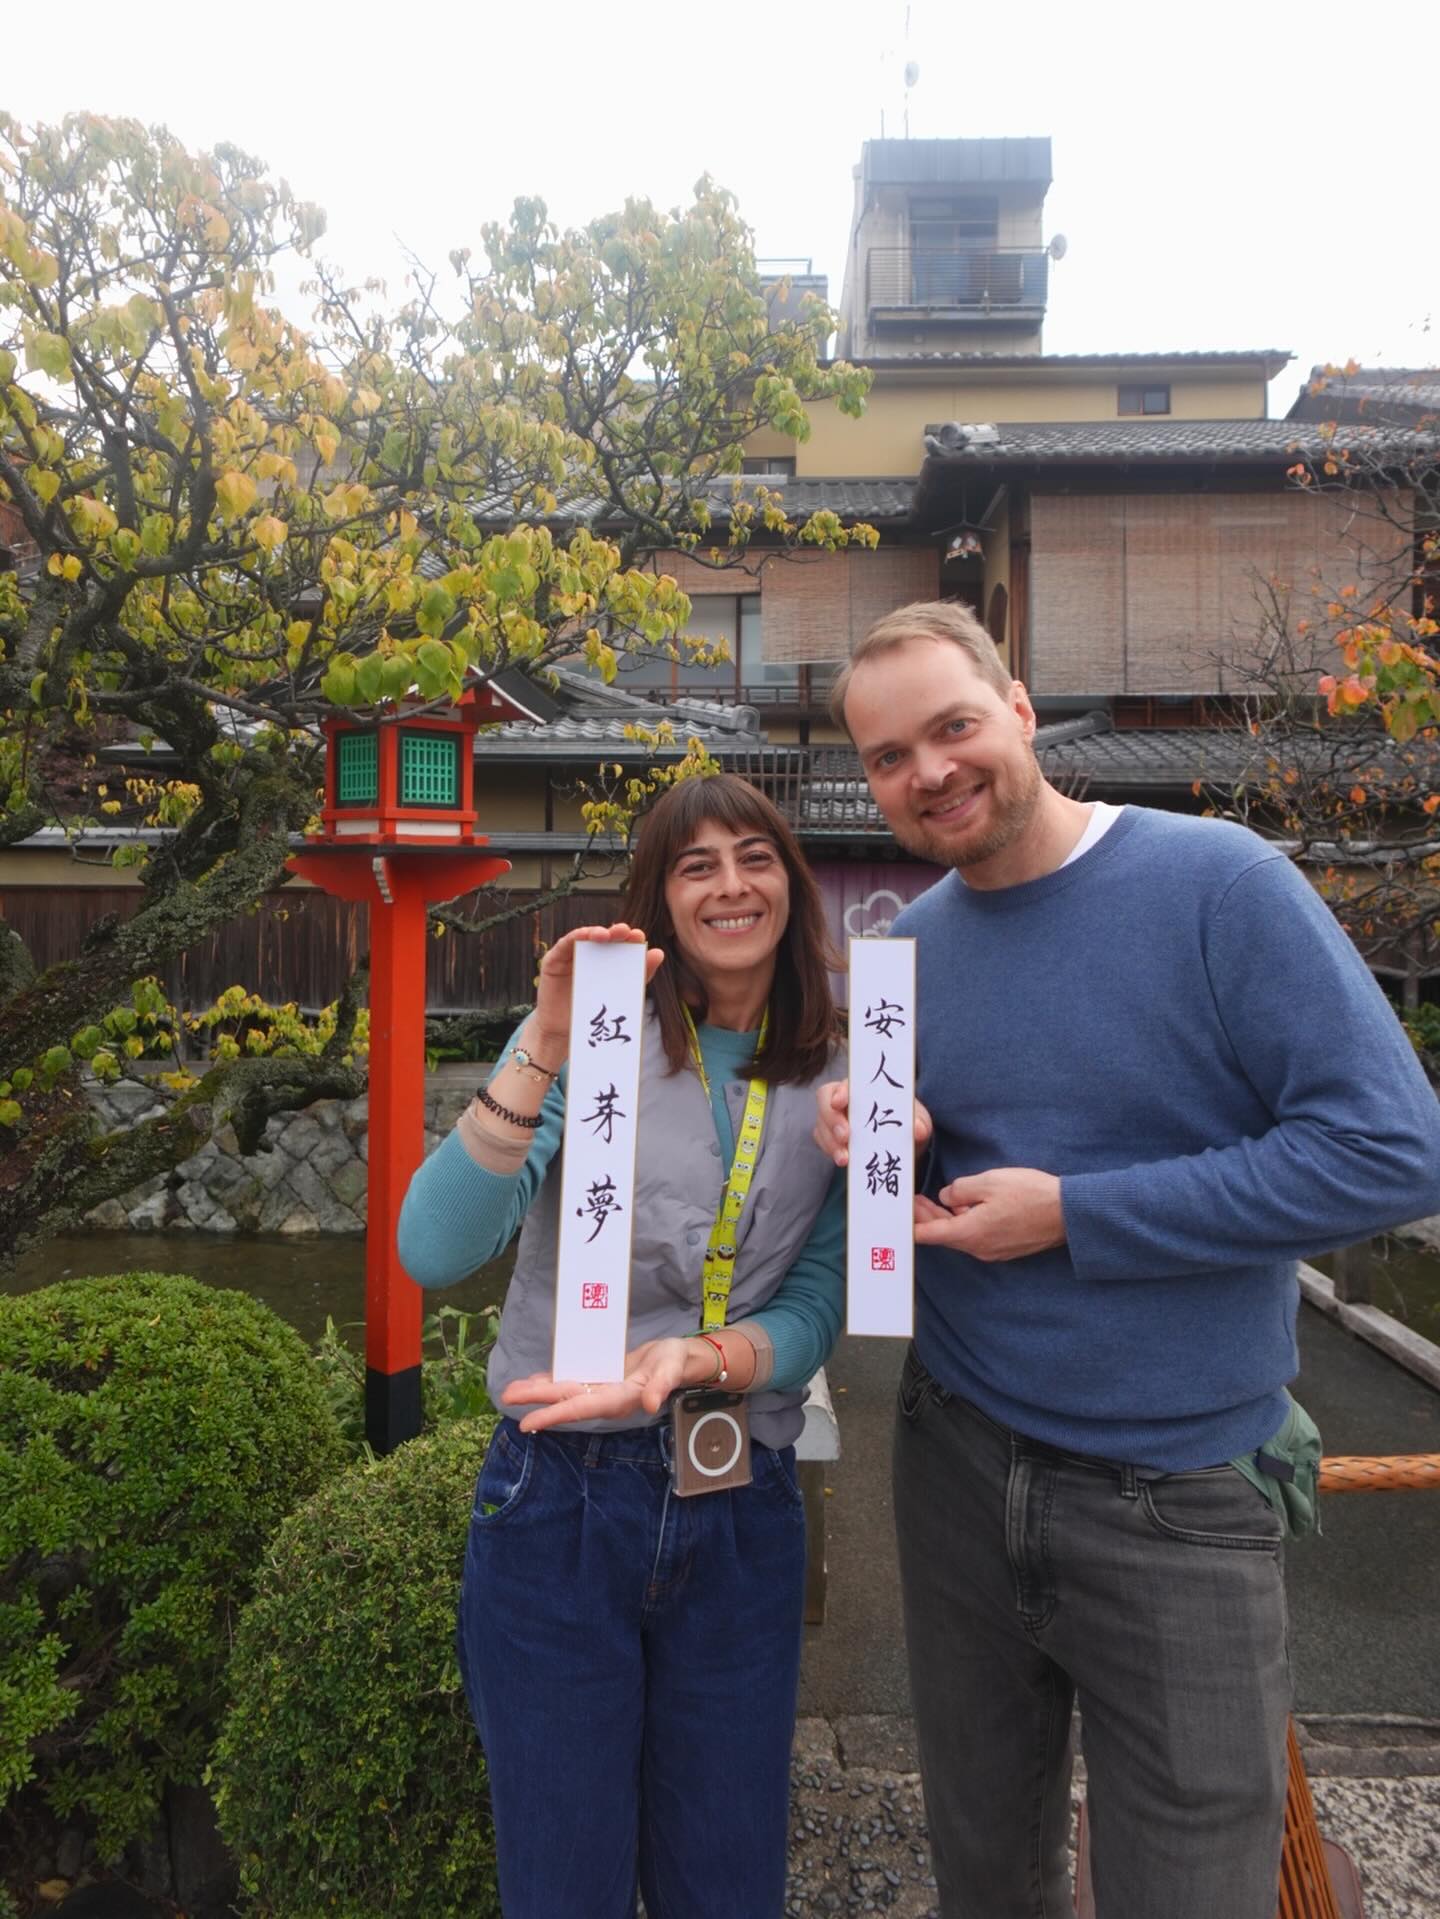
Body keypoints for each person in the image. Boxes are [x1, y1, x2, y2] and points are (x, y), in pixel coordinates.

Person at [815, 600, 1440, 1919]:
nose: (928, 771)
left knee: (1189, 1882)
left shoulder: (1220, 884)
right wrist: (876, 1142)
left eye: (954, 726)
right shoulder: (906, 950)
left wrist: (1078, 1212)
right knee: (987, 1867)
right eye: (888, 755)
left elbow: (1393, 1150)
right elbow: (915, 1196)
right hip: (956, 1455)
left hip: (1180, 1488)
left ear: (1023, 709)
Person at [398, 771, 845, 1919]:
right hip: (560, 1496)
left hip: (740, 1493)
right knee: (561, 1882)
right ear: (658, 895)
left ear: (792, 882)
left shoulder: (853, 1056)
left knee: (728, 1878)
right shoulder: (597, 1033)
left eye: (756, 856)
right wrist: (543, 1041)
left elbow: (828, 1293)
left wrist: (713, 1358)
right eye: (697, 864)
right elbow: (434, 1246)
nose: (731, 885)